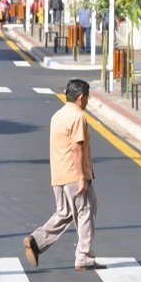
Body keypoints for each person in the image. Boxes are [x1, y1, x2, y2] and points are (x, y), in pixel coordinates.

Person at [23, 79, 103, 272]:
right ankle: (84, 256)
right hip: (74, 175)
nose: (88, 101)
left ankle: (36, 241)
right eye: (87, 97)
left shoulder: (57, 115)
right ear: (81, 97)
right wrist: (82, 177)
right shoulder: (78, 117)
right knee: (86, 212)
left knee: (64, 213)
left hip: (58, 174)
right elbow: (76, 147)